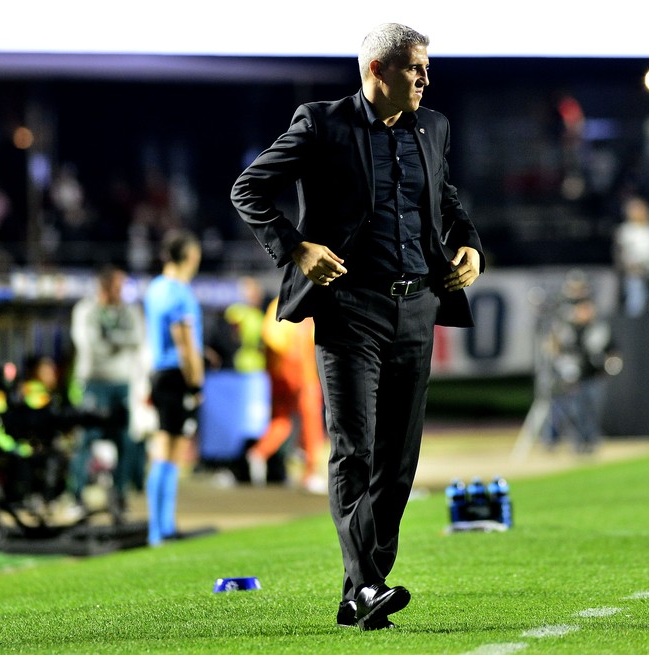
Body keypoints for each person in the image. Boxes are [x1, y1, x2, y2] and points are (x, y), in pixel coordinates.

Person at [231, 23, 484, 630]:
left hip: (418, 308)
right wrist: (295, 248)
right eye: (415, 68)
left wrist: (470, 245)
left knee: (397, 463)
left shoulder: (435, 127)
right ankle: (368, 584)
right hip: (350, 311)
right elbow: (249, 190)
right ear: (378, 71)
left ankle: (361, 589)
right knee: (354, 449)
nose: (426, 78)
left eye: (426, 68)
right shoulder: (323, 124)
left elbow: (444, 201)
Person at [142, 229, 204, 547]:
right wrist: (196, 383)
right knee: (171, 451)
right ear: (190, 256)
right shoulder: (180, 293)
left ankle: (160, 526)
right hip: (176, 376)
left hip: (159, 373)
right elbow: (184, 345)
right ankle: (162, 528)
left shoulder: (155, 288)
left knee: (162, 448)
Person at [69, 264, 146, 515]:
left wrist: (111, 339)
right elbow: (92, 345)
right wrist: (118, 341)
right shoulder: (86, 310)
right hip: (93, 382)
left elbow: (138, 338)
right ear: (104, 285)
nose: (121, 290)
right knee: (85, 441)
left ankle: (119, 497)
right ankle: (76, 497)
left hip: (121, 384)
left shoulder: (130, 311)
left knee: (124, 441)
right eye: (117, 285)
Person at [246, 296, 328, 494]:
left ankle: (259, 452)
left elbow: (270, 337)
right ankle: (310, 473)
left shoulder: (279, 300)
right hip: (299, 372)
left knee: (283, 420)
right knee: (311, 422)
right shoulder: (305, 298)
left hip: (279, 372)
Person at [542, 271, 619, 453]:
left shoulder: (598, 327)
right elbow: (554, 346)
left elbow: (612, 349)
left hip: (594, 375)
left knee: (592, 410)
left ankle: (590, 442)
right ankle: (573, 443)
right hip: (573, 376)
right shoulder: (566, 325)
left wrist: (611, 363)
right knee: (573, 410)